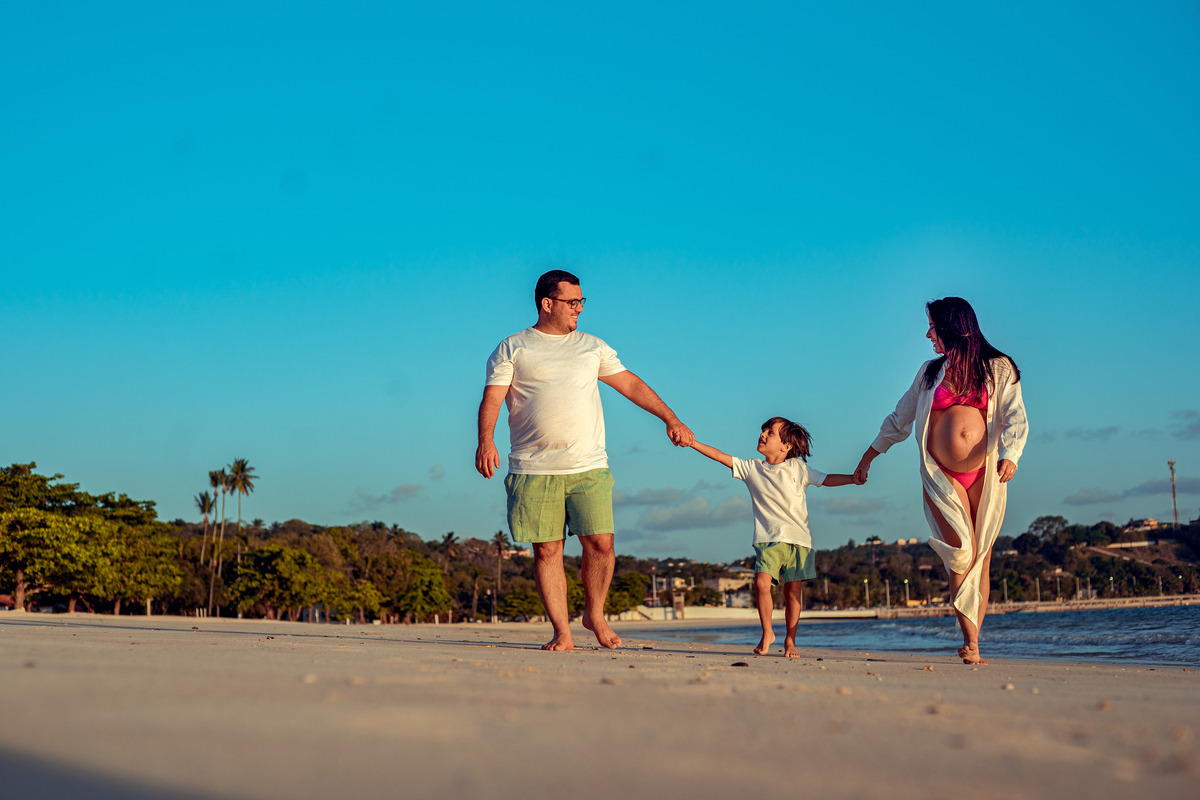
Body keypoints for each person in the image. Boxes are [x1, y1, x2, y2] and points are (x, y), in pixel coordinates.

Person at [476, 270, 694, 651]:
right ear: (547, 303)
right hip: (533, 468)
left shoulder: (592, 346)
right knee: (547, 550)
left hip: (588, 465)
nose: (579, 308)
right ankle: (562, 631)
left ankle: (595, 613)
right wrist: (485, 441)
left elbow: (631, 384)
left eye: (582, 301)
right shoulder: (514, 347)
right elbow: (492, 398)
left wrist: (670, 418)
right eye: (571, 301)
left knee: (602, 543)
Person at [853, 298, 1027, 665]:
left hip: (987, 473)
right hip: (941, 474)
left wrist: (1011, 453)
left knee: (981, 557)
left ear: (953, 327)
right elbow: (900, 418)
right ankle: (970, 638)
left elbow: (1014, 414)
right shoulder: (930, 373)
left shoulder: (998, 367)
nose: (928, 333)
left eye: (932, 326)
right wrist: (869, 456)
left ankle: (973, 642)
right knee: (961, 552)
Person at [689, 417, 863, 658]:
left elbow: (825, 479)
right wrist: (693, 443)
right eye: (763, 430)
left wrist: (852, 479)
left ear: (786, 446)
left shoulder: (798, 469)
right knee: (761, 584)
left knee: (792, 593)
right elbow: (720, 456)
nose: (763, 434)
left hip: (799, 541)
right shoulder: (752, 468)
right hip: (768, 540)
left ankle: (790, 641)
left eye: (770, 432)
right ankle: (767, 633)